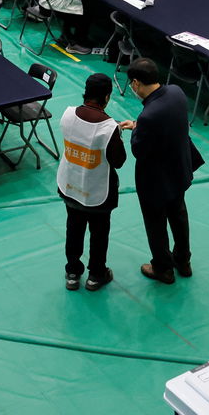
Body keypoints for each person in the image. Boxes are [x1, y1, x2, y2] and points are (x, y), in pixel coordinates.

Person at [119, 58, 200, 285]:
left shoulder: (148, 116)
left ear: (135, 83)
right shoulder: (176, 93)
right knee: (179, 216)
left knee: (156, 225)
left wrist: (137, 129)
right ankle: (183, 261)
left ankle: (162, 268)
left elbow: (139, 150)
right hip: (179, 171)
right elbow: (167, 123)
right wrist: (139, 125)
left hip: (155, 181)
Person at [56, 72, 126, 292]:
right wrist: (117, 133)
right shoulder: (108, 128)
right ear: (107, 96)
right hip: (98, 193)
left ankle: (73, 272)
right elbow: (119, 161)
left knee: (73, 229)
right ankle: (96, 275)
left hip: (70, 186)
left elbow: (82, 132)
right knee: (99, 233)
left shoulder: (67, 115)